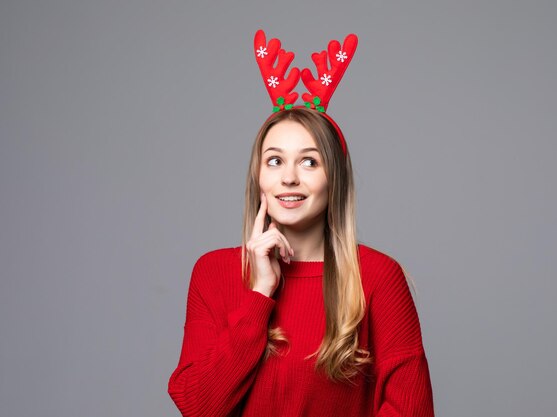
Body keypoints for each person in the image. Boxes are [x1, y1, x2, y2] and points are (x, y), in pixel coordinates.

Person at [168, 31, 434, 417]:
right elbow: (198, 406)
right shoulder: (214, 273)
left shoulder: (377, 277)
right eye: (275, 160)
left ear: (334, 178)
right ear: (258, 176)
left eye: (309, 161)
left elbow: (411, 410)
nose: (289, 178)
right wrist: (260, 294)